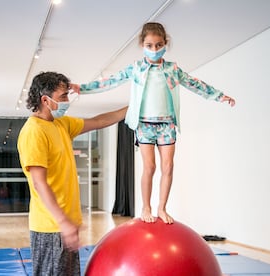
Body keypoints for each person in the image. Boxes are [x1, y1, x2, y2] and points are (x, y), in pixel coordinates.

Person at [72, 22, 235, 225]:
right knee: (149, 167)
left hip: (167, 124)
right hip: (144, 124)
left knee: (168, 166)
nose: (154, 49)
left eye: (158, 45)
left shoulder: (172, 69)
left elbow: (195, 84)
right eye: (150, 45)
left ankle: (161, 207)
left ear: (165, 44)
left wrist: (220, 96)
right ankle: (146, 206)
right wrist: (83, 88)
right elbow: (109, 81)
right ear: (142, 44)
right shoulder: (136, 68)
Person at [17, 71, 127, 276]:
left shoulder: (61, 124)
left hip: (66, 224)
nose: (68, 101)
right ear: (45, 100)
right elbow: (40, 183)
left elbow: (100, 121)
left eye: (68, 95)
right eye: (63, 97)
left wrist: (133, 108)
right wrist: (63, 222)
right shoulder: (34, 132)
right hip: (51, 227)